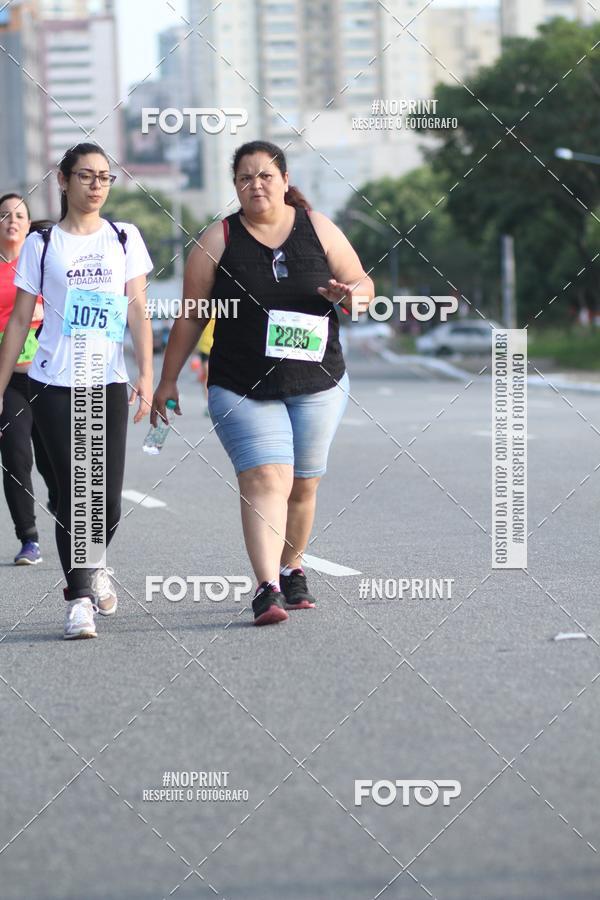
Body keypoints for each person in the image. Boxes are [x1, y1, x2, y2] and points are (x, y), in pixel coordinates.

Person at [153, 140, 374, 626]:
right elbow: (190, 318)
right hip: (240, 383)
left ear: (285, 180)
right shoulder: (218, 239)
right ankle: (267, 587)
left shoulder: (318, 229)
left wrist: (350, 294)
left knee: (303, 485)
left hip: (317, 381)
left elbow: (363, 286)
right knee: (264, 478)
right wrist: (167, 380)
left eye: (265, 175)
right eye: (245, 178)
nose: (256, 184)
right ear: (235, 187)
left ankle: (293, 567)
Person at [0, 142, 153, 639]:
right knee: (74, 493)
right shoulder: (43, 246)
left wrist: (148, 377)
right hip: (52, 382)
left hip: (106, 380)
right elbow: (22, 317)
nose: (96, 185)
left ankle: (95, 562)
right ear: (63, 181)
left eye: (104, 177)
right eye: (85, 176)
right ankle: (80, 597)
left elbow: (137, 312)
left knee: (104, 498)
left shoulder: (124, 238)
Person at [0, 193, 58, 564]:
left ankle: (63, 504)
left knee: (55, 463)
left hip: (50, 377)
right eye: (4, 215)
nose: (12, 220)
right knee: (16, 456)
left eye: (19, 214)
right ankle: (29, 539)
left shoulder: (43, 261)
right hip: (9, 382)